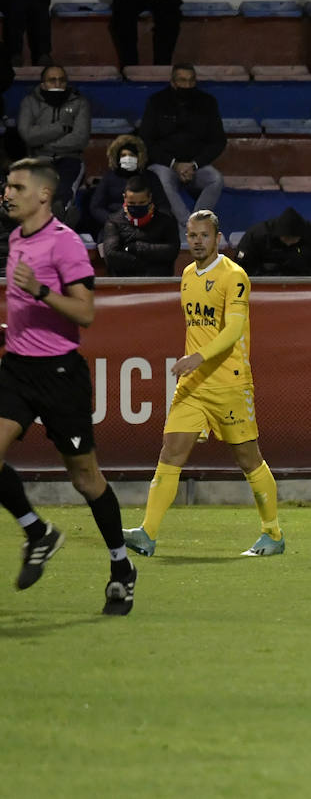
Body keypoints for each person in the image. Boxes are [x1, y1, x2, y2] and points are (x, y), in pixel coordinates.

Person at [0, 158, 137, 614]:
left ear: (43, 194)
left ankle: (121, 569)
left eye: (17, 186)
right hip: (17, 368)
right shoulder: (17, 238)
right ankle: (37, 532)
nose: (8, 193)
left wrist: (41, 291)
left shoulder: (66, 245)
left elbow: (85, 313)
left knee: (86, 479)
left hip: (60, 375)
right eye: (7, 185)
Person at [122, 210, 285, 559]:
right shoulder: (186, 275)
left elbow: (232, 330)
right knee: (170, 452)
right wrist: (193, 362)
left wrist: (198, 357)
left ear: (218, 238)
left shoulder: (235, 276)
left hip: (229, 382)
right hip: (194, 385)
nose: (196, 241)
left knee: (248, 458)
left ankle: (272, 534)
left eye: (203, 235)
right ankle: (147, 533)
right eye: (191, 235)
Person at [141, 64, 227, 229]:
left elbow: (218, 141)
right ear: (173, 82)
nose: (187, 85)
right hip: (165, 164)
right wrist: (174, 164)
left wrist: (195, 164)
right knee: (162, 181)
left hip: (196, 164)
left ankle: (198, 221)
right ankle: (187, 225)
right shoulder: (156, 102)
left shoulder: (207, 102)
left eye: (191, 81)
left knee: (216, 179)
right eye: (182, 80)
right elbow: (146, 140)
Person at [17, 64, 90, 221]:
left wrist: (44, 142)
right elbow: (28, 135)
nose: (57, 84)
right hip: (39, 159)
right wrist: (61, 128)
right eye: (52, 80)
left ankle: (60, 224)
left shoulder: (80, 103)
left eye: (61, 80)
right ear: (43, 84)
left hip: (70, 158)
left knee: (63, 194)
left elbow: (80, 139)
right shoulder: (30, 102)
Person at [98, 175, 178, 276]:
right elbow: (111, 255)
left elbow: (172, 250)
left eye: (141, 203)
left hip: (158, 282)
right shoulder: (114, 221)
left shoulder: (166, 220)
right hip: (123, 283)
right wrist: (147, 262)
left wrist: (137, 248)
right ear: (124, 198)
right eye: (131, 203)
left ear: (150, 198)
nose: (136, 206)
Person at [90, 133, 169, 230]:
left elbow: (163, 207)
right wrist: (113, 221)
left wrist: (151, 222)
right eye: (123, 155)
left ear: (139, 157)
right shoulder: (109, 177)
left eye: (131, 155)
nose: (127, 158)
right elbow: (96, 207)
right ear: (117, 157)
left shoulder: (150, 177)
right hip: (115, 227)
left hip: (147, 226)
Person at [234, 206, 311, 277]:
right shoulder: (257, 235)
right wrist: (264, 276)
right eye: (286, 238)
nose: (289, 242)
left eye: (294, 239)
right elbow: (241, 266)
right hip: (264, 287)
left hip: (305, 288)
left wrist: (306, 277)